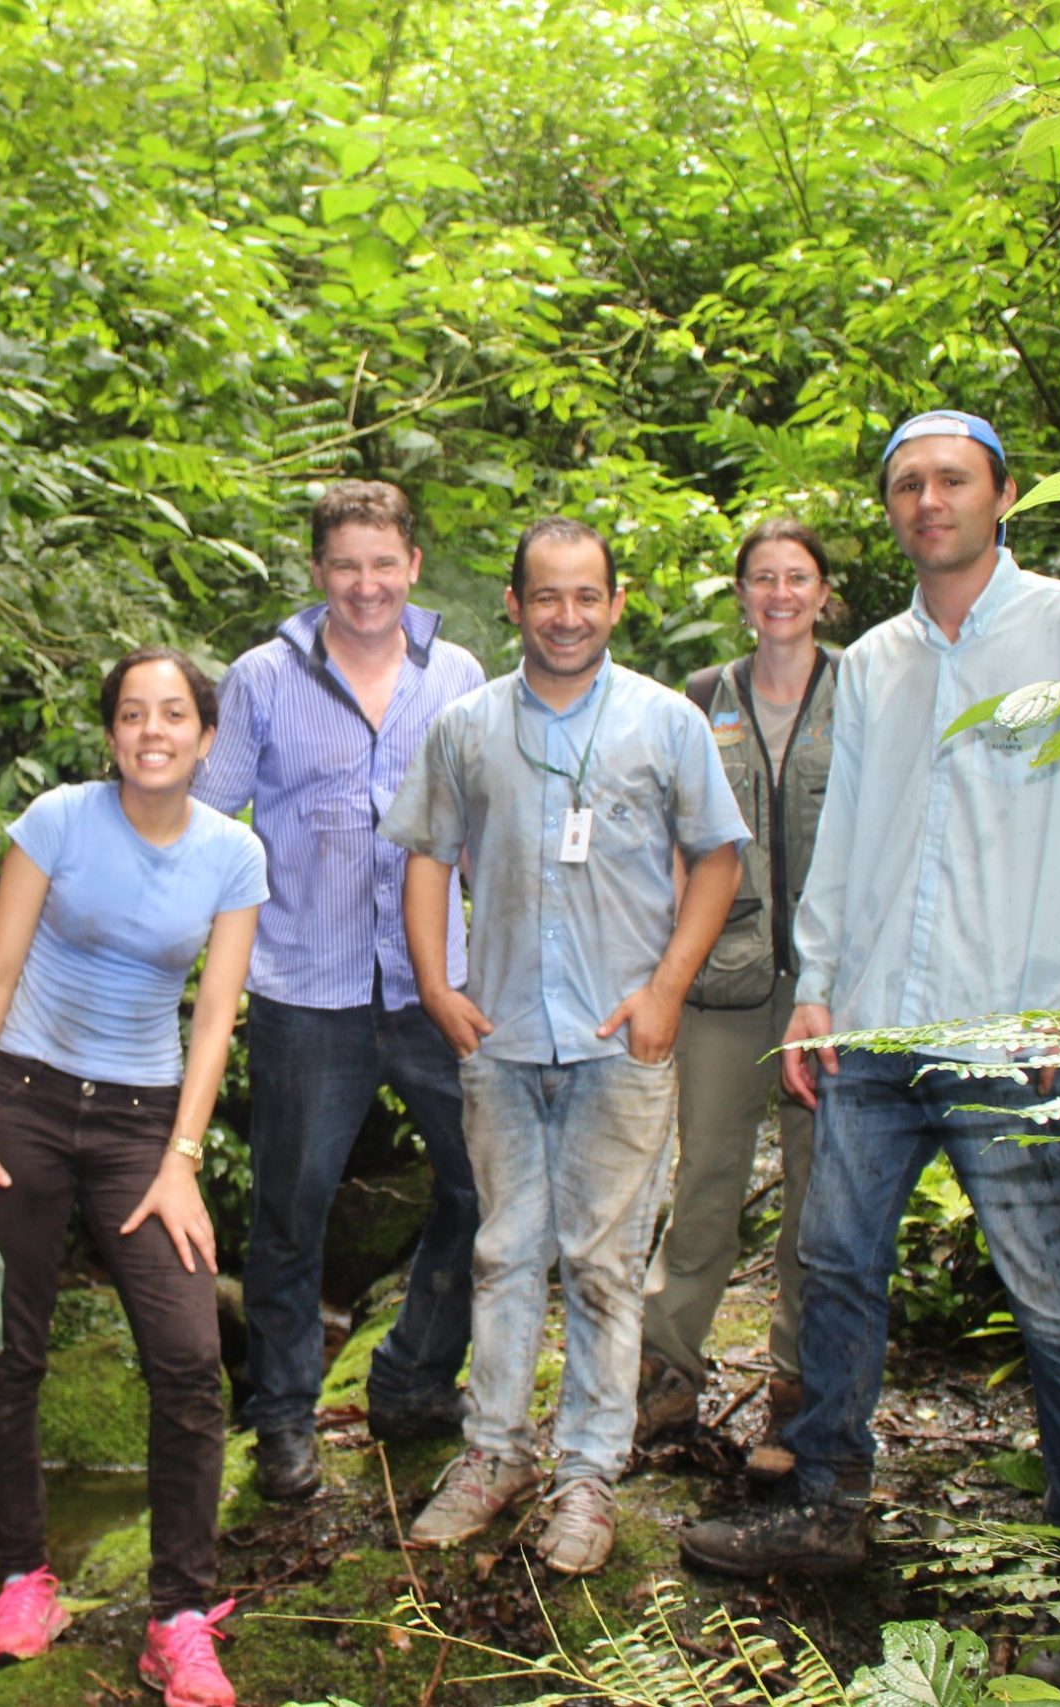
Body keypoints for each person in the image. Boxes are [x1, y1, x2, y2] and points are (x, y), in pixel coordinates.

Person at [680, 409, 1060, 1580]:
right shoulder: (873, 664)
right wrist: (816, 991)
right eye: (906, 484)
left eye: (951, 480)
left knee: (1055, 1301)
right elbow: (850, 835)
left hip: (1014, 1031)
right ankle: (824, 1507)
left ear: (1003, 494)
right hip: (872, 1026)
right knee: (834, 1269)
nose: (929, 501)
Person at [385, 517, 749, 1576]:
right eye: (546, 596)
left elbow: (717, 860)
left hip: (616, 1043)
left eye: (585, 596)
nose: (566, 616)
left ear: (615, 604)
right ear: (513, 606)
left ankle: (588, 1475)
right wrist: (435, 986)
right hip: (499, 1034)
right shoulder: (464, 727)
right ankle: (493, 1454)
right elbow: (424, 858)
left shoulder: (666, 722)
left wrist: (664, 993)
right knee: (503, 1253)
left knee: (601, 1262)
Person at [0, 647, 267, 1707]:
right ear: (112, 733)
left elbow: (215, 1019)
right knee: (14, 1345)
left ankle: (177, 1614)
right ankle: (20, 1576)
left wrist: (182, 1162)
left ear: (206, 736)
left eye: (173, 714)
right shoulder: (58, 820)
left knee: (185, 1354)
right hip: (23, 1102)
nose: (152, 731)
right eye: (132, 714)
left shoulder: (232, 854)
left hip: (141, 1122)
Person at [193, 479, 486, 1503]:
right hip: (303, 988)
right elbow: (205, 811)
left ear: (413, 566)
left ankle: (409, 1380)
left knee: (480, 1188)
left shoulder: (456, 675)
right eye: (346, 565)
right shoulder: (262, 680)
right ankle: (282, 1420)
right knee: (289, 1216)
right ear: (319, 572)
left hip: (435, 984)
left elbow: (487, 825)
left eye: (384, 563)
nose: (366, 585)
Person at [635, 519, 839, 1478]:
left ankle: (796, 1389)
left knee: (817, 1191)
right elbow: (674, 838)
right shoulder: (701, 699)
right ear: (743, 593)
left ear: (824, 593)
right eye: (764, 577)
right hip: (724, 978)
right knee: (707, 1173)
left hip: (833, 984)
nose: (781, 593)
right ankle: (667, 1368)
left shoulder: (864, 691)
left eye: (797, 577)